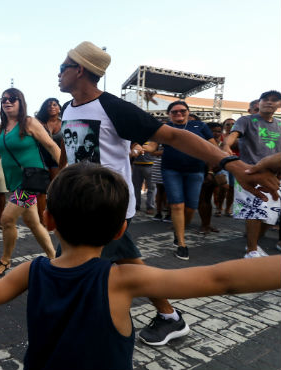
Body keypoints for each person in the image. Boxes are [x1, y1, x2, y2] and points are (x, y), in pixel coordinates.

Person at [0, 163, 281, 370]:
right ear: (121, 229)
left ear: (49, 220)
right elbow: (223, 278)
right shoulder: (121, 279)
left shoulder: (33, 270)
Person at [55, 41, 279, 346]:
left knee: (69, 270)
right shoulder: (69, 108)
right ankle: (169, 317)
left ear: (79, 70)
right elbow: (69, 154)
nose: (58, 73)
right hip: (82, 205)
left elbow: (174, 136)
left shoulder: (113, 107)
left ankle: (82, 334)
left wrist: (233, 165)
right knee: (128, 262)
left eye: (62, 67)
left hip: (107, 209)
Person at [0, 88, 60, 275]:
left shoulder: (28, 122)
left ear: (21, 102)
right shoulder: (4, 128)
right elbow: (1, 150)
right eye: (4, 99)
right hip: (16, 181)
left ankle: (5, 261)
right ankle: (54, 257)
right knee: (33, 222)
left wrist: (67, 173)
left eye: (12, 99)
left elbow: (51, 145)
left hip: (30, 181)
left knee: (7, 219)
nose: (7, 102)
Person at [223, 90, 281, 257]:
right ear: (259, 103)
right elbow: (232, 136)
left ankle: (253, 242)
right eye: (265, 99)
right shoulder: (246, 120)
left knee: (271, 215)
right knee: (254, 212)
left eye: (274, 100)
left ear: (279, 105)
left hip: (273, 175)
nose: (269, 102)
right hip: (249, 171)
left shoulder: (279, 125)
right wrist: (227, 146)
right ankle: (251, 250)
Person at [157, 101, 215, 259]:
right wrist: (140, 148)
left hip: (196, 171)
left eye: (182, 111)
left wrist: (212, 168)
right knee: (176, 205)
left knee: (190, 208)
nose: (178, 114)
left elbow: (213, 147)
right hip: (171, 170)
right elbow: (152, 146)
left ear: (188, 112)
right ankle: (182, 243)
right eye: (174, 112)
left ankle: (178, 230)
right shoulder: (163, 128)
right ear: (169, 114)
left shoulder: (200, 126)